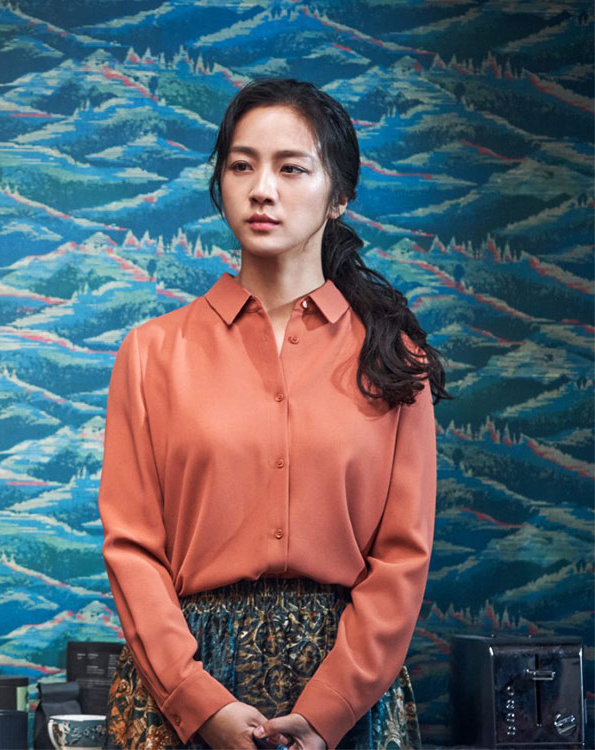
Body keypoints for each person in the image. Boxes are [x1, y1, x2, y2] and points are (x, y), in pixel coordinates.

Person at [98, 78, 449, 750]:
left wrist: (329, 711)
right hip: (181, 691)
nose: (263, 188)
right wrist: (198, 702)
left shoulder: (394, 358)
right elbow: (133, 549)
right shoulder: (152, 353)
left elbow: (403, 557)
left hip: (348, 691)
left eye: (292, 168)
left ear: (339, 195)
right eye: (242, 165)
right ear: (220, 185)